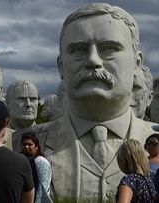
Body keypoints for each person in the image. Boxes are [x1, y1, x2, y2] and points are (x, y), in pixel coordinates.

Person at [15, 3, 158, 201]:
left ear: (137, 63)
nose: (93, 60)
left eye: (109, 48)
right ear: (60, 66)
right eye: (78, 50)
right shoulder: (19, 143)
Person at [21, 133, 52, 203]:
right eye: (24, 144)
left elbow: (41, 189)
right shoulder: (25, 161)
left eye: (29, 144)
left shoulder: (40, 161)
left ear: (36, 147)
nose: (26, 147)